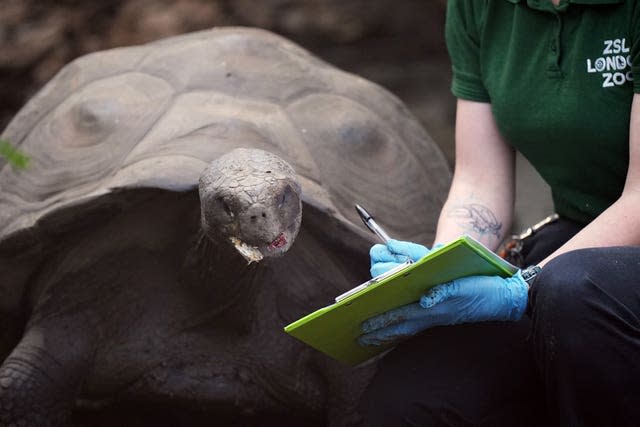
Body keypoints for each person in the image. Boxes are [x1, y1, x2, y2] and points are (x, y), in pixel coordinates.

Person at [358, 0, 640, 426]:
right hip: (581, 244)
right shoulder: (480, 6)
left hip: (591, 272)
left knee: (573, 294)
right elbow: (478, 181)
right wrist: (441, 272)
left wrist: (521, 287)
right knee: (414, 394)